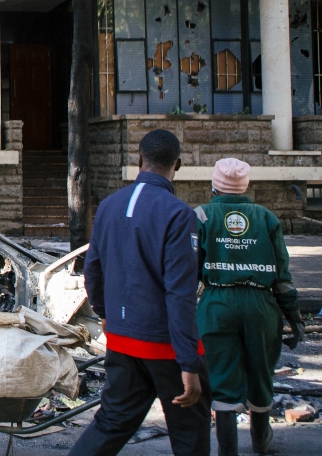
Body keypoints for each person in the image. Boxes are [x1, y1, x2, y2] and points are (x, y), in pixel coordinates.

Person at [69, 129, 212, 456]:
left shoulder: (108, 206)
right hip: (165, 345)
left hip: (123, 340)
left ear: (139, 159)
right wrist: (189, 362)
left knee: (111, 422)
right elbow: (180, 294)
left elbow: (93, 270)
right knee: (190, 433)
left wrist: (105, 314)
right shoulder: (179, 214)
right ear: (177, 165)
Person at [195, 158, 305, 456]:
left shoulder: (201, 215)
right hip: (261, 305)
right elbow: (282, 276)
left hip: (217, 304)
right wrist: (294, 318)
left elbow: (188, 271)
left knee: (221, 379)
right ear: (245, 186)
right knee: (260, 374)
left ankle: (227, 451)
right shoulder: (266, 218)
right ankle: (261, 441)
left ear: (214, 185)